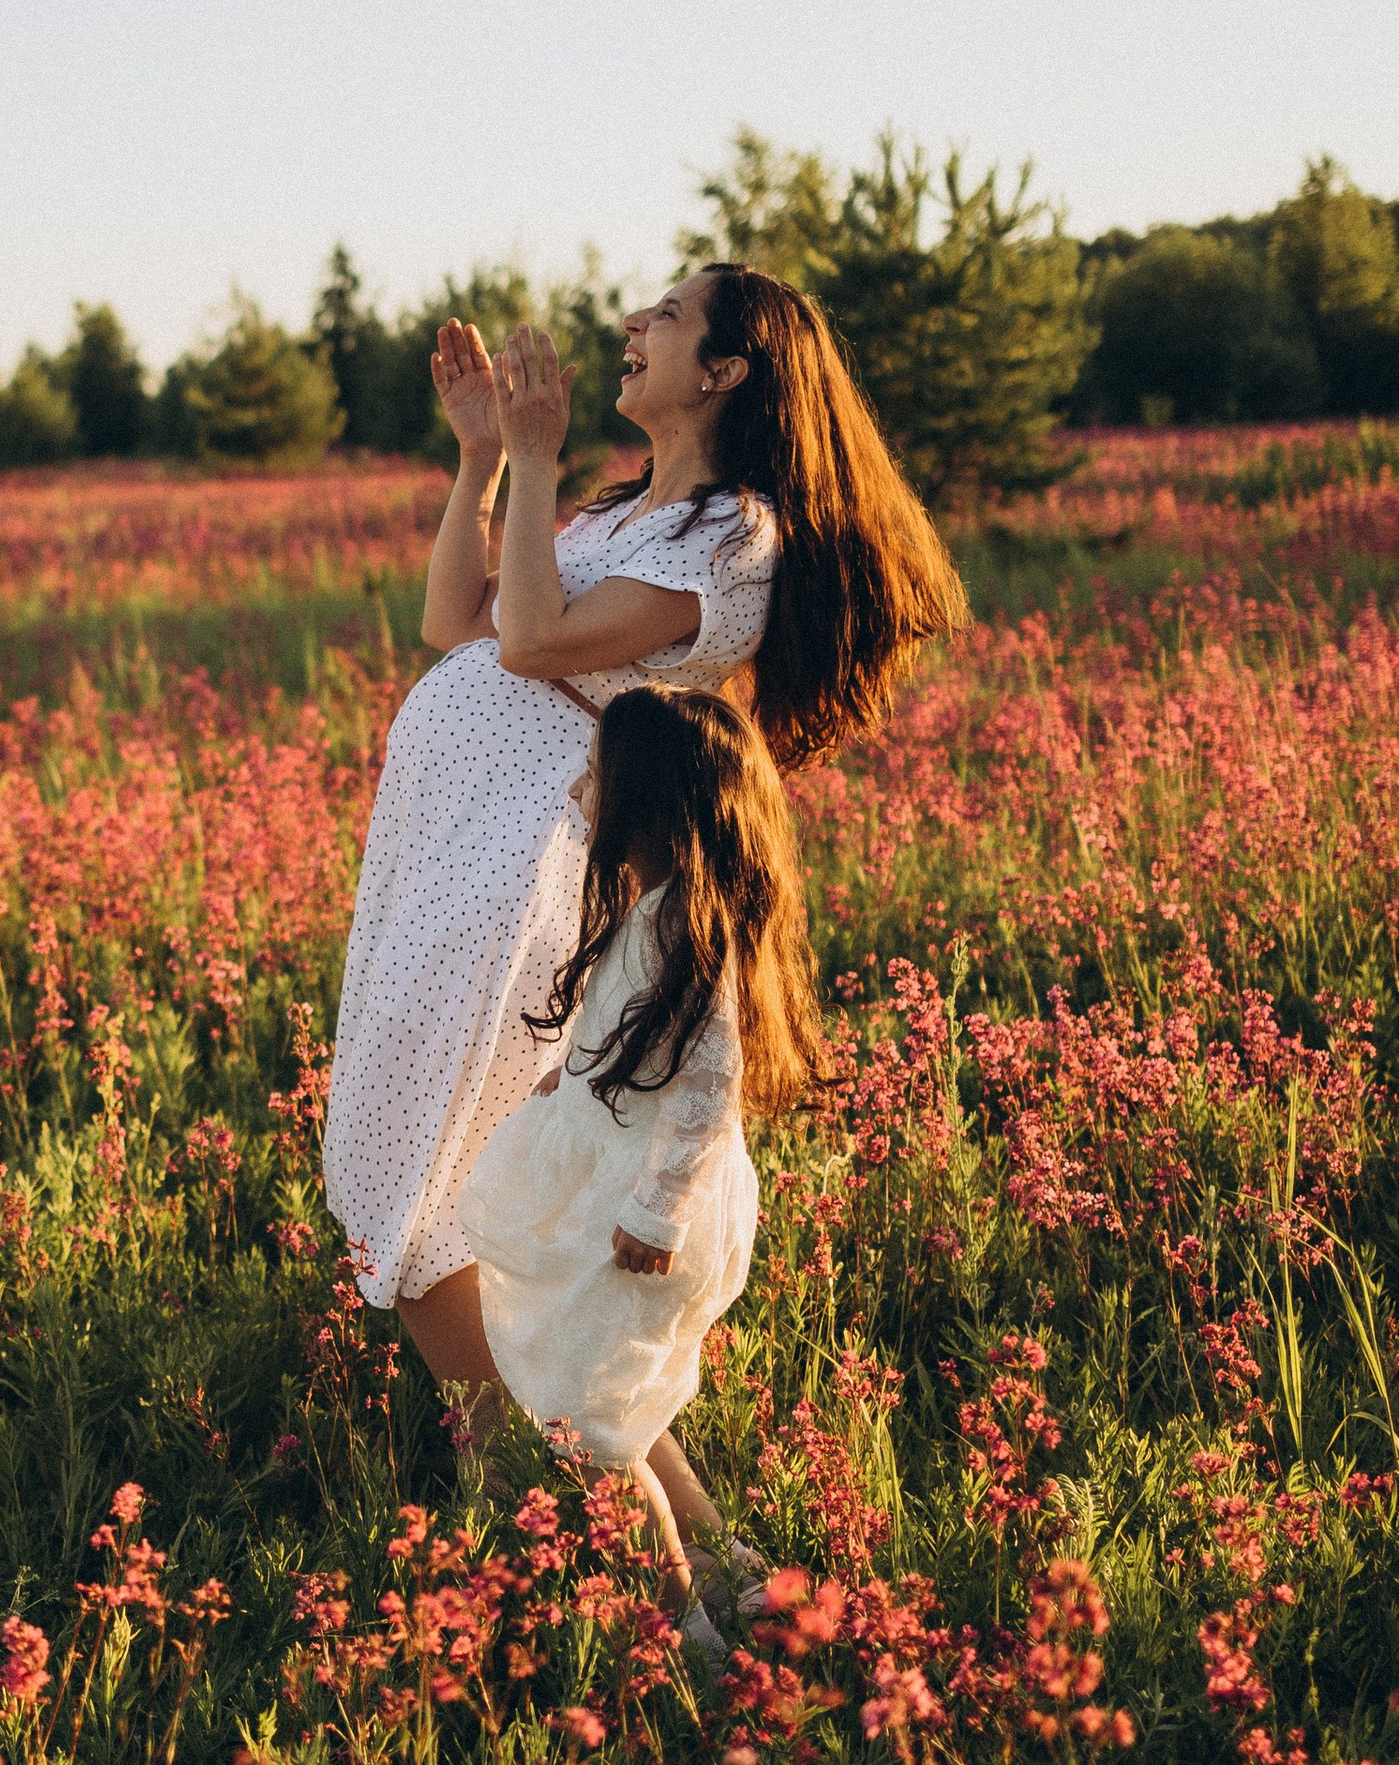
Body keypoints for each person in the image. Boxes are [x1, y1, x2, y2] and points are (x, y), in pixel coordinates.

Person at [322, 263, 958, 1410]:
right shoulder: (623, 512)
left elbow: (528, 642)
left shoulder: (731, 540)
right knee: (441, 1163)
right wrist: (480, 457)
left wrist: (530, 459)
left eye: (667, 316)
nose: (632, 322)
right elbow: (450, 621)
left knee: (430, 1171)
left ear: (723, 372)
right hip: (453, 848)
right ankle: (550, 1463)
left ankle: (514, 1459)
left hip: (528, 864)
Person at [457, 685, 820, 1651]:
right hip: (612, 1193)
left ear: (648, 803)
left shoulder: (684, 934)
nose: (581, 785)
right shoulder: (655, 914)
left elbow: (708, 1094)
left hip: (642, 1219)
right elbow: (618, 1038)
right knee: (611, 1402)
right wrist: (560, 1088)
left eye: (598, 773)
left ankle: (685, 1638)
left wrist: (658, 1214)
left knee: (596, 1429)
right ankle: (729, 1570)